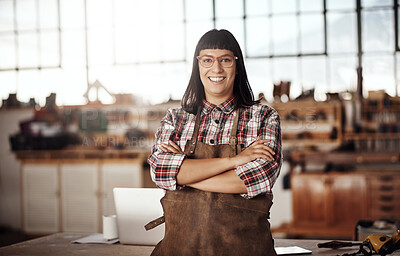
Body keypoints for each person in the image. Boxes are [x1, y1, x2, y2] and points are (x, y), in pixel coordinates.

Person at [147, 29, 282, 256]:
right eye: (207, 60)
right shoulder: (175, 119)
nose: (216, 69)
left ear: (237, 66)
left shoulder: (264, 117)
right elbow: (160, 172)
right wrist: (235, 161)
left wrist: (183, 176)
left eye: (225, 60)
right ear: (197, 65)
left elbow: (258, 179)